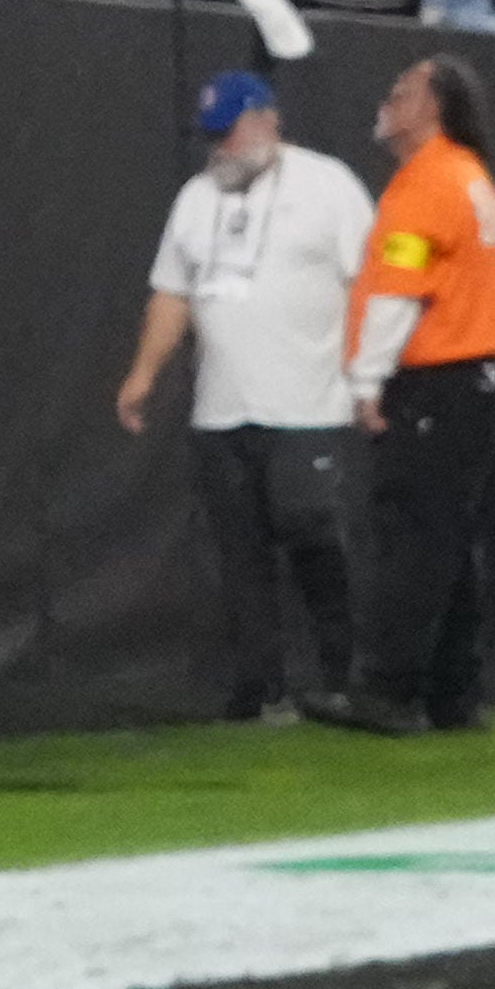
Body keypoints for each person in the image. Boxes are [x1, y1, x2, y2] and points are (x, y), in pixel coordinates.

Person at [114, 66, 368, 721]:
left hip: (308, 402)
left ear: (264, 121)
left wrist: (367, 376)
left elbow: (368, 282)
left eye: (228, 132)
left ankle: (345, 671)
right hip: (221, 410)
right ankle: (262, 685)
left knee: (312, 532)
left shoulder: (327, 185)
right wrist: (144, 373)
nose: (218, 147)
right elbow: (172, 291)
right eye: (212, 136)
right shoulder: (196, 197)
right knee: (239, 555)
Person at [328, 53, 495, 733]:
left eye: (401, 91)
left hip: (437, 380)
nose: (387, 100)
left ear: (431, 109)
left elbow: (397, 291)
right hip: (476, 381)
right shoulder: (468, 177)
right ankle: (452, 691)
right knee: (445, 535)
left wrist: (366, 381)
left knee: (412, 534)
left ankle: (385, 687)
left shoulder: (427, 183)